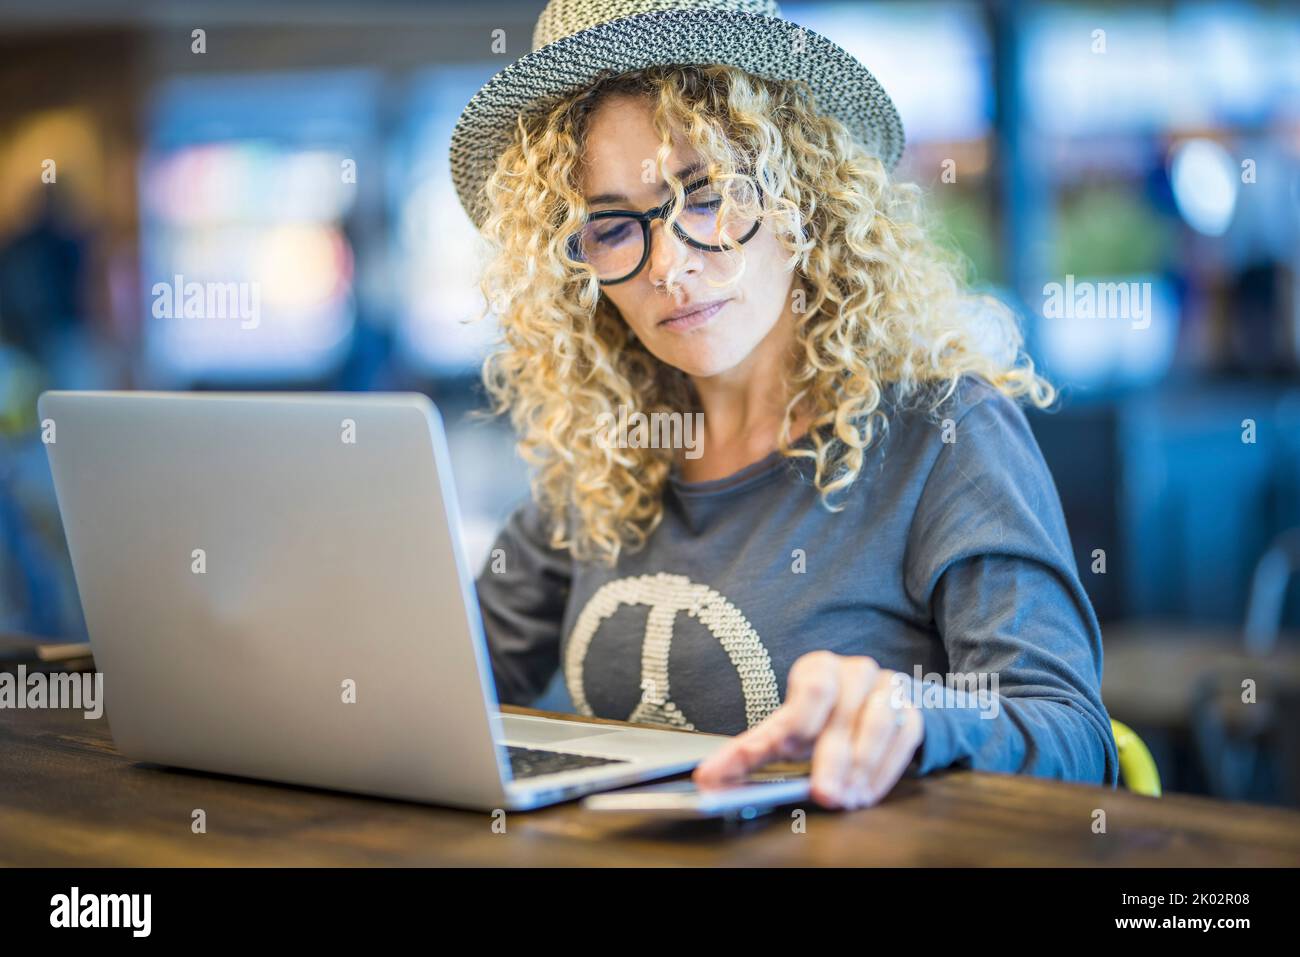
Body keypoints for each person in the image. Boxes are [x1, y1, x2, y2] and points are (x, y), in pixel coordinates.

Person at [450, 0, 1118, 810]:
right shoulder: (610, 446)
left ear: (803, 191)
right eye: (613, 226)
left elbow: (1075, 738)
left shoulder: (942, 433)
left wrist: (921, 715)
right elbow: (448, 680)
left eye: (707, 194)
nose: (668, 265)